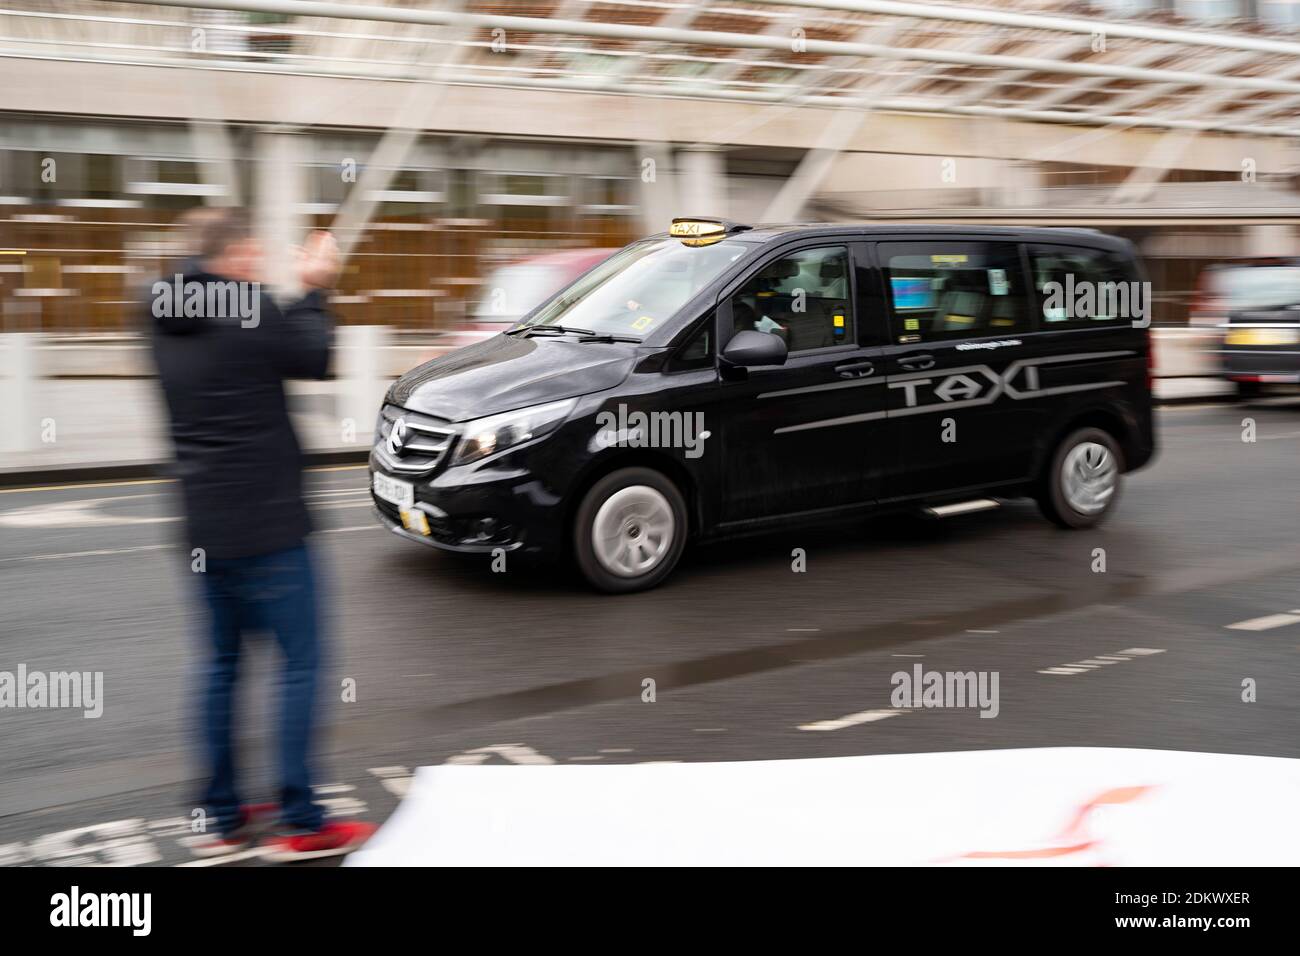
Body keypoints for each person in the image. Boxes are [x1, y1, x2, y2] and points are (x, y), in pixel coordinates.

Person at [148, 208, 375, 861]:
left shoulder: (158, 308)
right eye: (253, 249)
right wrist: (315, 285)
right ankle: (300, 821)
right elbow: (315, 353)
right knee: (300, 664)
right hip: (271, 526)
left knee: (219, 667)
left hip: (200, 527)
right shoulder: (252, 309)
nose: (257, 261)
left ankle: (218, 819)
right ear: (238, 252)